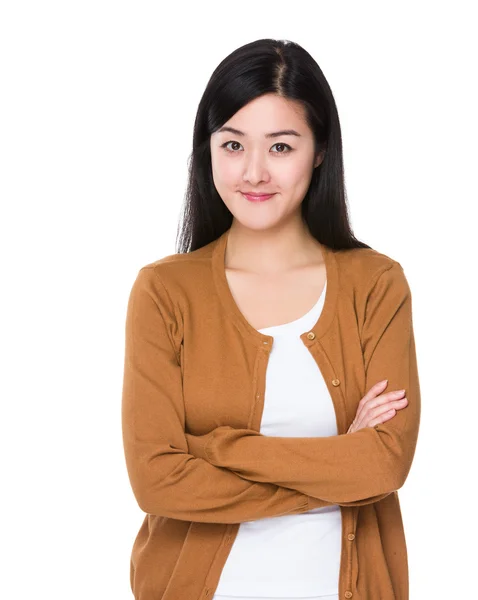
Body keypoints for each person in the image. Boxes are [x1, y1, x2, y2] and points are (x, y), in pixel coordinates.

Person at [121, 38, 421, 600]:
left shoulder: (375, 285)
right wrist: (336, 470)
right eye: (233, 144)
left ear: (320, 150)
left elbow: (382, 466)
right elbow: (157, 480)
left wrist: (217, 449)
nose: (253, 172)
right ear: (206, 149)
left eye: (281, 147)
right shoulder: (164, 292)